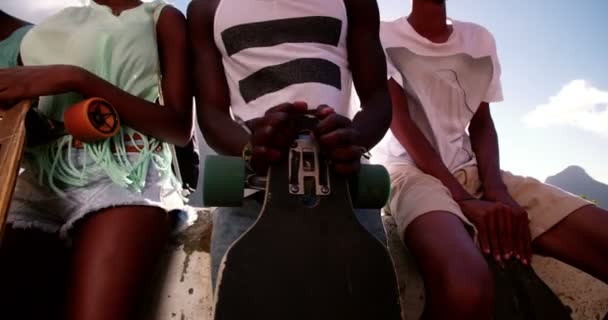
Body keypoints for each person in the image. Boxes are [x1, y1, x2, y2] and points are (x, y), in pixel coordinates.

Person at [376, 0, 608, 319]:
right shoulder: (384, 34)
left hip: (474, 169)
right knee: (466, 288)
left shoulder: (479, 39)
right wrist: (461, 198)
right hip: (410, 171)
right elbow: (400, 121)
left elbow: (482, 123)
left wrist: (496, 188)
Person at [0, 1, 192, 319]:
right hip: (40, 178)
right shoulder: (50, 27)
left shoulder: (161, 17)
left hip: (125, 173)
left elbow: (178, 128)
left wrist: (75, 78)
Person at [187, 0, 392, 287]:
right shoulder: (206, 8)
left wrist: (352, 139)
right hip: (251, 195)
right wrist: (251, 148)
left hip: (344, 193)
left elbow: (379, 99)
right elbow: (211, 113)